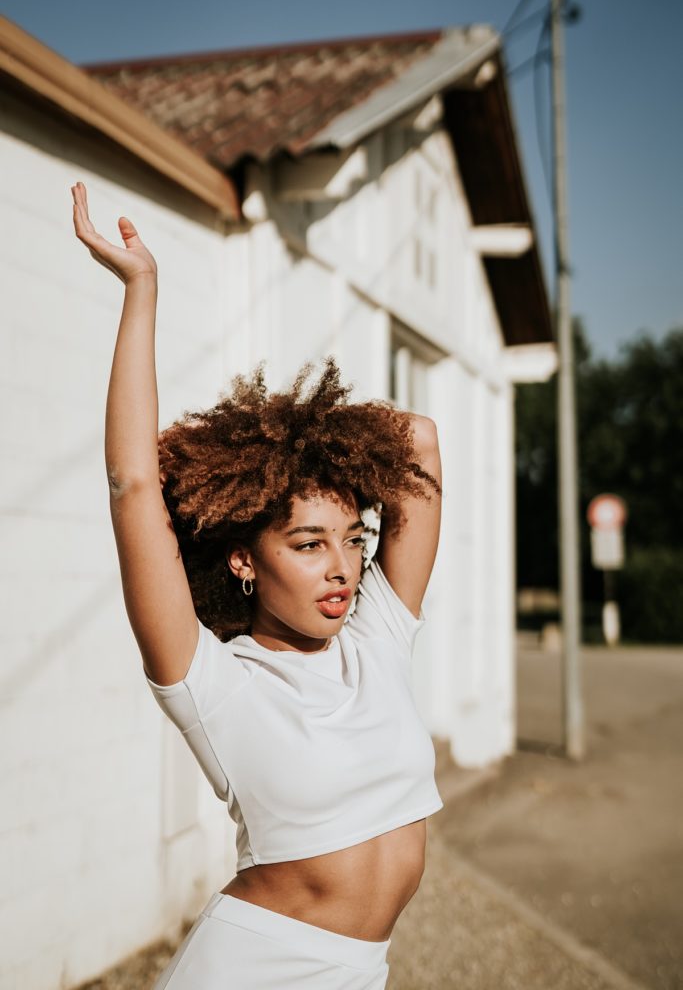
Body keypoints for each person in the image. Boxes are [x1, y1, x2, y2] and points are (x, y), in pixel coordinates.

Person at [71, 181, 444, 989]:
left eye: (352, 539)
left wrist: (317, 440)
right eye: (307, 543)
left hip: (361, 971)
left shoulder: (374, 635)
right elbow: (134, 484)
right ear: (244, 558)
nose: (341, 567)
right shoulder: (215, 684)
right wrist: (143, 290)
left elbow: (417, 440)